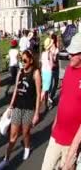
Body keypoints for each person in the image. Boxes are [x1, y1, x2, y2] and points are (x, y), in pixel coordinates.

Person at [0, 50, 42, 169]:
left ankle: (27, 147)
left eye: (25, 60)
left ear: (31, 61)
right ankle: (6, 158)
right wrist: (11, 105)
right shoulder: (20, 72)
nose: (23, 62)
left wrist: (37, 112)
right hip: (17, 106)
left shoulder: (35, 73)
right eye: (21, 60)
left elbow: (38, 94)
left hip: (29, 108)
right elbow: (16, 89)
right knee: (13, 135)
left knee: (26, 132)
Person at [42, 33, 81, 170]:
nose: (69, 56)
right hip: (57, 134)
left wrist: (73, 152)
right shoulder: (69, 69)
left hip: (72, 141)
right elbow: (63, 98)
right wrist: (55, 121)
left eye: (73, 53)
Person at [41, 37, 57, 112]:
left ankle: (45, 104)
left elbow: (42, 63)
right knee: (45, 90)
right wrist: (54, 59)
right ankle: (39, 104)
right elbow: (52, 65)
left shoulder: (43, 53)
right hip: (48, 72)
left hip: (43, 71)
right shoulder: (49, 53)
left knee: (45, 88)